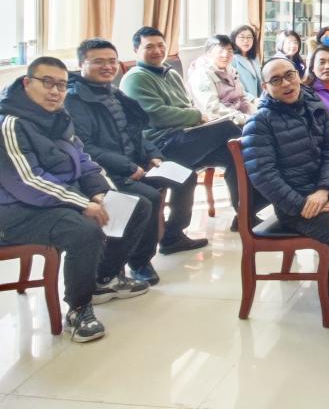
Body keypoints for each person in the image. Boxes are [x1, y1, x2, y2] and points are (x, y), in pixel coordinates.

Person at [0, 56, 151, 343]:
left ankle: (103, 278)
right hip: (15, 213)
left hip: (57, 200)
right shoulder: (10, 125)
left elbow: (84, 159)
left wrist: (99, 191)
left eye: (61, 85)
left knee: (135, 206)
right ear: (27, 83)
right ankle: (79, 308)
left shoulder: (59, 117)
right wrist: (82, 203)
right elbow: (27, 181)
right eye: (47, 83)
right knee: (84, 230)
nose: (55, 91)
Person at [241, 57, 329, 347]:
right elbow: (264, 177)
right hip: (295, 206)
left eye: (290, 75)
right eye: (276, 80)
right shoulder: (259, 123)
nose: (286, 83)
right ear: (265, 87)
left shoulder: (314, 104)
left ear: (299, 76)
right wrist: (304, 203)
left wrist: (324, 190)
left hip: (322, 192)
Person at [66, 38, 202, 283]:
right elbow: (85, 148)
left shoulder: (113, 92)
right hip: (105, 173)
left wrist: (154, 155)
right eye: (98, 62)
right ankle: (140, 262)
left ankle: (173, 236)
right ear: (81, 64)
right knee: (148, 197)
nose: (108, 67)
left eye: (112, 61)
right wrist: (128, 167)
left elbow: (137, 134)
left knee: (187, 177)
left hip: (136, 164)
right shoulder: (74, 100)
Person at [120, 26, 242, 226]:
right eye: (149, 47)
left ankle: (243, 216)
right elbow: (157, 116)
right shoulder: (136, 78)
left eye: (161, 45)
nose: (157, 51)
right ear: (136, 50)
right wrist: (197, 116)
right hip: (160, 146)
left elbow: (187, 106)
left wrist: (198, 118)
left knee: (235, 155)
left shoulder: (171, 73)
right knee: (230, 128)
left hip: (185, 139)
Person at [187, 35, 258, 127]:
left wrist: (254, 114)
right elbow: (213, 108)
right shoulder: (201, 74)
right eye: (220, 51)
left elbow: (241, 97)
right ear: (209, 53)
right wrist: (243, 118)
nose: (225, 55)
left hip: (236, 117)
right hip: (216, 122)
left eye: (229, 51)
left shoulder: (230, 70)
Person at [230, 25, 262, 98]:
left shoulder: (254, 59)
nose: (246, 40)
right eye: (242, 37)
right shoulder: (232, 59)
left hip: (258, 100)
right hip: (242, 101)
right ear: (234, 39)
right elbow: (233, 87)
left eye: (249, 37)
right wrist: (252, 100)